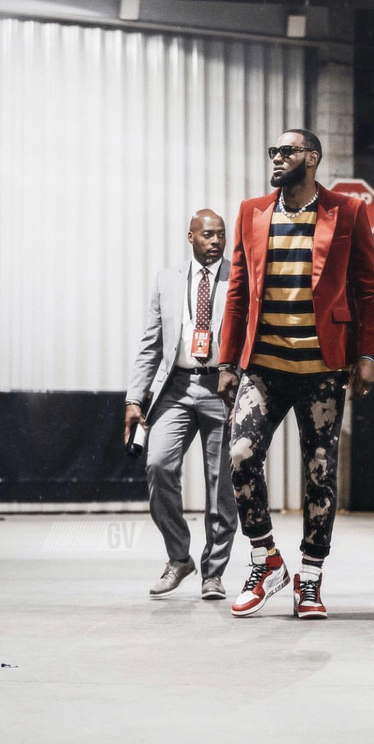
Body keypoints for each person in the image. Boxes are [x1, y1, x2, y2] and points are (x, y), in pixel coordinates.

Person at [217, 129, 374, 619]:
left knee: (320, 471)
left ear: (312, 158)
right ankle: (265, 560)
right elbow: (238, 291)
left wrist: (368, 354)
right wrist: (227, 361)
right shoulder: (252, 212)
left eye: (286, 151)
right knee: (241, 455)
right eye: (273, 151)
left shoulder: (347, 211)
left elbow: (369, 288)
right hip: (263, 367)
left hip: (323, 369)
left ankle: (309, 578)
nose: (276, 158)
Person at [125, 209, 237, 601]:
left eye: (221, 234)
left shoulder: (239, 278)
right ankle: (179, 557)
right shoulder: (166, 280)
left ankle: (214, 573)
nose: (216, 241)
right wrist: (134, 398)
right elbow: (151, 344)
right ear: (191, 237)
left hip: (222, 389)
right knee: (158, 464)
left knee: (221, 485)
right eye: (207, 234)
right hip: (175, 388)